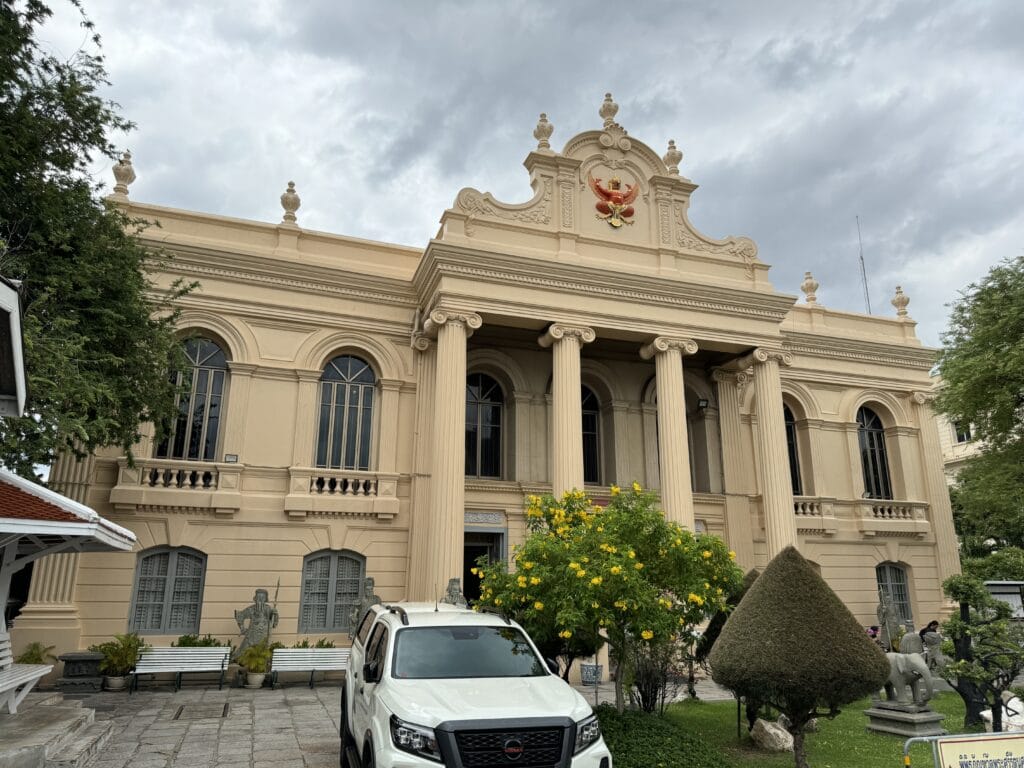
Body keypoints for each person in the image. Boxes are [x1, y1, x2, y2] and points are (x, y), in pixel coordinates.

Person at [234, 588, 279, 658]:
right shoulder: (251, 609)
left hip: (264, 636)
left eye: (262, 598)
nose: (260, 600)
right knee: (243, 653)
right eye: (259, 597)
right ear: (255, 598)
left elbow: (274, 623)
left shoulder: (268, 609)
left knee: (261, 655)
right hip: (251, 636)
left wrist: (275, 614)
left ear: (265, 599)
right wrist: (242, 628)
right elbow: (240, 615)